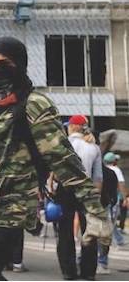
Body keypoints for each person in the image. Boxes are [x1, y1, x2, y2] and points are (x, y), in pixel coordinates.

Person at [0, 37, 111, 281]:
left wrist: (96, 211)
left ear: (20, 65)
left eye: (4, 62)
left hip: (12, 207)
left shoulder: (34, 105)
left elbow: (64, 160)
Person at [56, 115, 103, 280]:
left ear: (74, 127)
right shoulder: (94, 147)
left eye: (69, 125)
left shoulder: (62, 144)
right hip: (87, 190)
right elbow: (98, 177)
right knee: (89, 230)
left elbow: (55, 173)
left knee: (65, 232)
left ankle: (69, 271)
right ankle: (88, 272)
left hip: (65, 190)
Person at [98, 152, 128, 275]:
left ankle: (84, 259)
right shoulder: (116, 170)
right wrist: (125, 197)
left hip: (96, 203)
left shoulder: (98, 169)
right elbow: (121, 184)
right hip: (110, 202)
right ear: (114, 161)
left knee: (93, 232)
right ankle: (102, 263)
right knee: (107, 231)